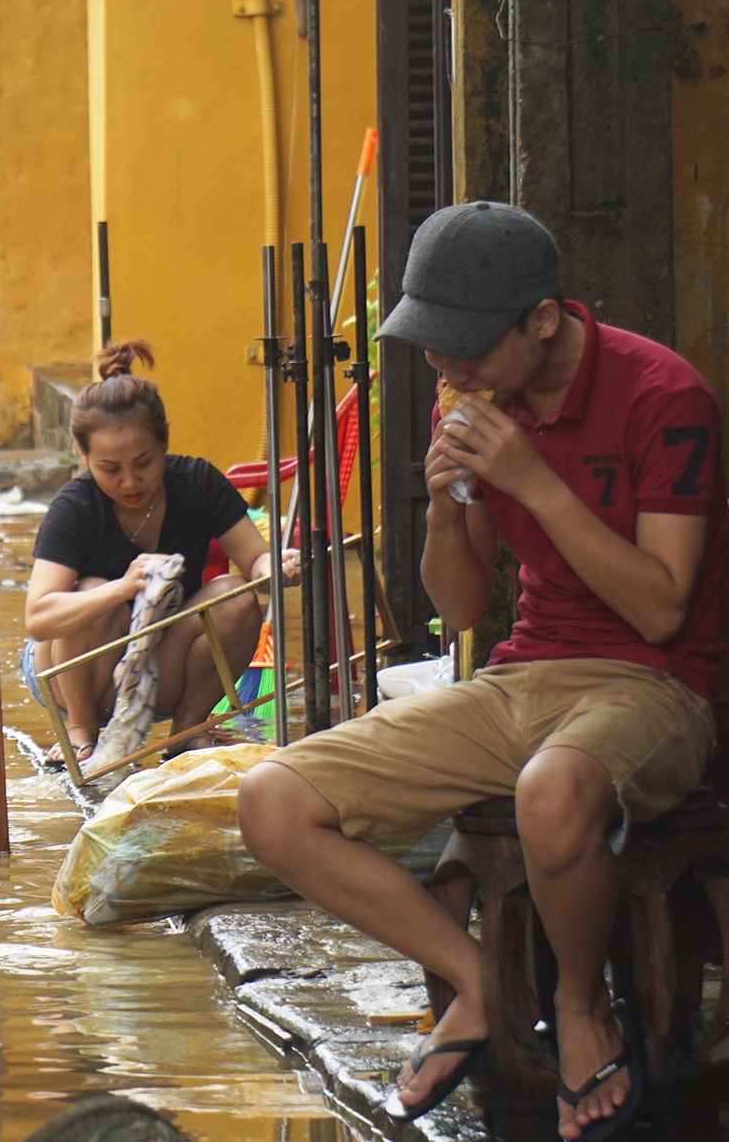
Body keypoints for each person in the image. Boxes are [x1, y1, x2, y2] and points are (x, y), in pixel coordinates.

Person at [236, 202, 727, 1141]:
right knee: (272, 799)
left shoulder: (665, 397)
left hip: (652, 683)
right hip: (522, 675)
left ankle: (581, 1009)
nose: (445, 368)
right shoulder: (473, 396)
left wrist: (534, 478)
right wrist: (442, 507)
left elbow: (664, 604)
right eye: (432, 345)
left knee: (551, 794)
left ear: (543, 319)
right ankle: (478, 983)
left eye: (464, 345)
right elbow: (460, 609)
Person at [23, 340, 289, 768]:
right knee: (91, 589)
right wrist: (121, 590)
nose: (130, 481)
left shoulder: (197, 482)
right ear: (84, 456)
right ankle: (82, 730)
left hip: (161, 658)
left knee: (238, 596)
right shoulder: (75, 506)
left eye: (144, 462)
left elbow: (255, 559)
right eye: (110, 469)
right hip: (72, 671)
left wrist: (278, 564)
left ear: (165, 442)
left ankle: (188, 727)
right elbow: (38, 618)